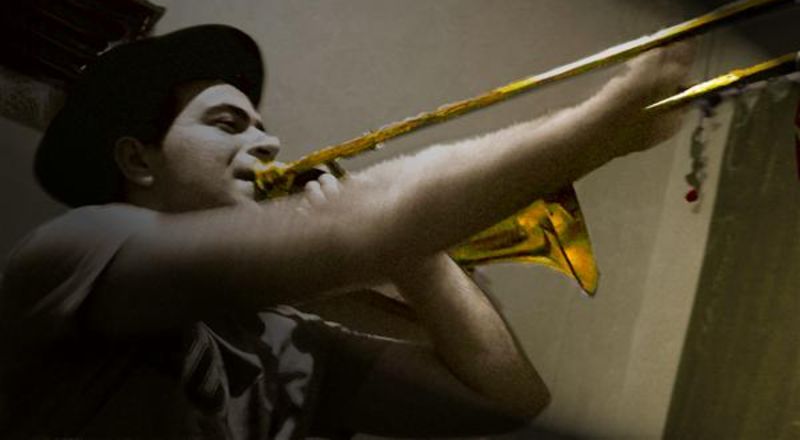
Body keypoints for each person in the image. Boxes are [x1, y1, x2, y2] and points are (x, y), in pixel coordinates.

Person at [0, 24, 693, 438]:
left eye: (262, 125)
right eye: (227, 124)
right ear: (137, 160)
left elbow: (507, 399)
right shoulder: (83, 247)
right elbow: (355, 231)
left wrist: (414, 257)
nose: (269, 143)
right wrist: (601, 127)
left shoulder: (281, 340)